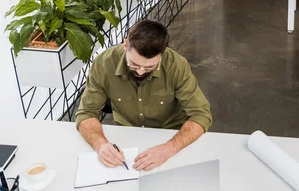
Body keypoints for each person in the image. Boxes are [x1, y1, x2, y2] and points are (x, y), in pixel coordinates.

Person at [76, 19, 212, 171]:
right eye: (134, 64)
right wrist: (100, 145)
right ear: (125, 44)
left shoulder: (177, 66)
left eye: (150, 67)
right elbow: (86, 113)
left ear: (162, 54)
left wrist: (168, 149)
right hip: (126, 140)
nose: (140, 71)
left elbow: (201, 115)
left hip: (170, 137)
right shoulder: (103, 64)